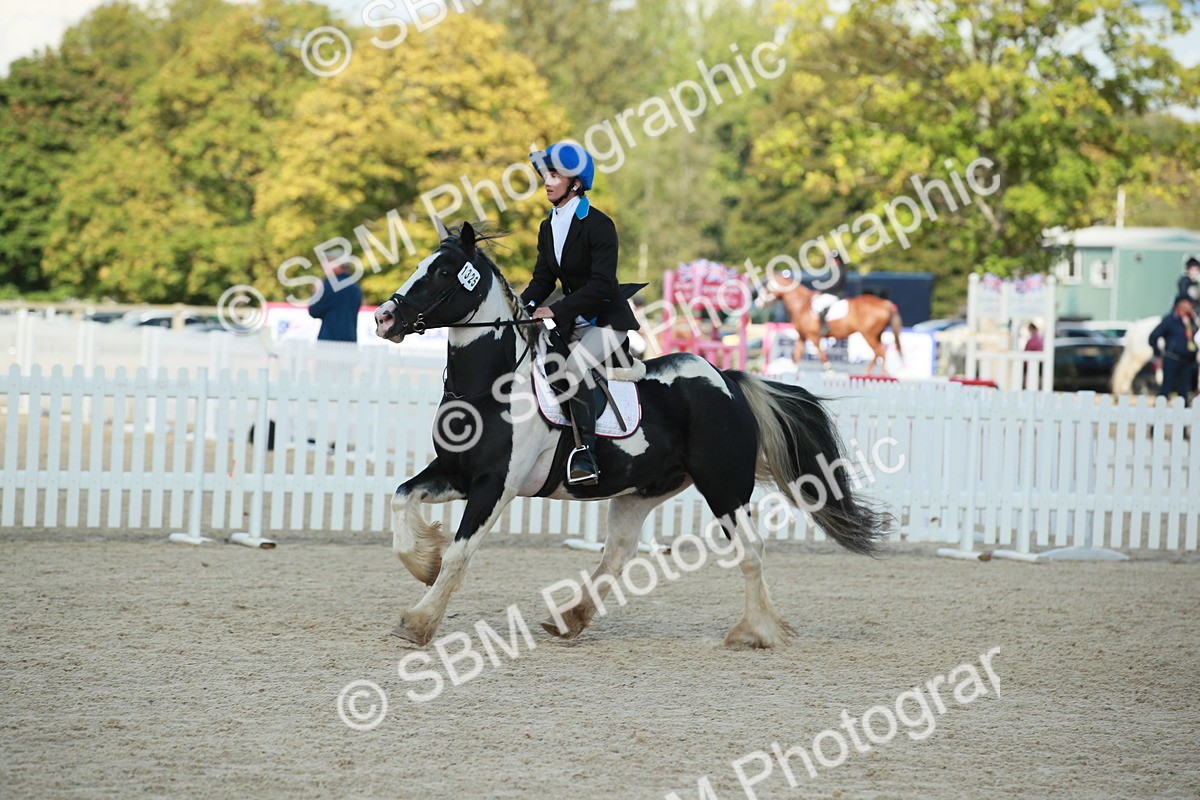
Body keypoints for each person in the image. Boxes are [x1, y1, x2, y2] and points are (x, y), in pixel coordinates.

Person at [520, 142, 644, 485]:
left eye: (554, 175)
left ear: (575, 183)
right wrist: (523, 304)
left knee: (573, 367)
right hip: (572, 319)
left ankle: (585, 454)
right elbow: (543, 278)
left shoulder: (599, 225)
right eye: (545, 174)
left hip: (606, 321)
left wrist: (555, 310)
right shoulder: (548, 226)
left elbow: (602, 285)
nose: (547, 181)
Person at [1148, 295, 1197, 402]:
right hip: (1172, 358)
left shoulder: (1191, 321)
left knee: (1184, 390)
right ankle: (1157, 413)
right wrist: (1158, 353)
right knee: (1166, 388)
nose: (1189, 306)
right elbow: (1153, 337)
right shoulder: (1170, 320)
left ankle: (1184, 415)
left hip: (1187, 360)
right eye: (1186, 303)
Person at [309, 262, 362, 342]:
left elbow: (314, 311)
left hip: (328, 340)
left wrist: (315, 293)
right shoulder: (355, 287)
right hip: (350, 340)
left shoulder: (328, 286)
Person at [817, 250, 849, 338]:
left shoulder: (839, 271)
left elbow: (835, 285)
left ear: (837, 260)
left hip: (836, 294)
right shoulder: (835, 271)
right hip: (833, 293)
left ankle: (824, 327)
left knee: (820, 306)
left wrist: (822, 290)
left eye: (833, 260)